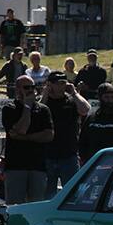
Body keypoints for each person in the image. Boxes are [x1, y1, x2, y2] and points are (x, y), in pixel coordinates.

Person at [1, 75, 54, 205]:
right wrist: (27, 108)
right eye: (26, 87)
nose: (30, 90)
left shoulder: (43, 109)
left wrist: (25, 138)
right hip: (16, 166)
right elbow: (21, 129)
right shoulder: (9, 108)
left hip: (38, 166)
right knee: (14, 206)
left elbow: (49, 135)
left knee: (37, 205)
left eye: (32, 87)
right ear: (18, 89)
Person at [41, 71, 90, 199]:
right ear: (50, 85)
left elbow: (85, 110)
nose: (61, 86)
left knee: (72, 194)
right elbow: (37, 113)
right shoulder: (44, 101)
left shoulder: (71, 100)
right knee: (47, 194)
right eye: (58, 84)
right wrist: (45, 94)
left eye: (63, 83)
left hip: (69, 154)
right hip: (47, 155)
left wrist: (74, 93)